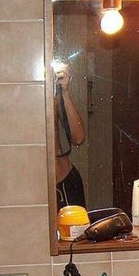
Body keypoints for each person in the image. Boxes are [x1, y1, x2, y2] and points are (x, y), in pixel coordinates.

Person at [54, 62, 86, 210]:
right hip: (34, 185)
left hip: (65, 179)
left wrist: (64, 92)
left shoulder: (53, 95)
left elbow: (78, 138)